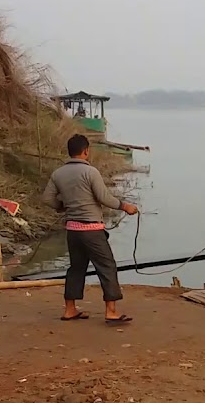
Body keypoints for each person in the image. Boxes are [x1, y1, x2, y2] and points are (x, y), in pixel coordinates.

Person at [42, 134, 139, 324]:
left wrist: (62, 206)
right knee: (107, 266)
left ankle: (70, 309)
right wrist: (124, 206)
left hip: (73, 230)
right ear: (86, 151)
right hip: (92, 230)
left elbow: (46, 198)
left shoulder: (58, 174)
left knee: (76, 269)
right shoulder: (90, 172)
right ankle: (111, 311)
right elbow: (104, 198)